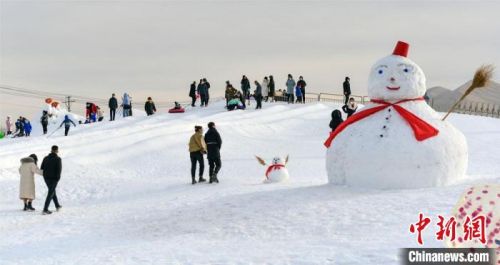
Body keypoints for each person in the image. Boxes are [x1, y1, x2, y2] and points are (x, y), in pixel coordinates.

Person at [41, 145, 62, 215]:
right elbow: (59, 170)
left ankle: (57, 205)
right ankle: (45, 209)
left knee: (52, 191)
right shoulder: (58, 159)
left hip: (46, 178)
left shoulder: (45, 158)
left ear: (51, 150)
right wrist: (57, 179)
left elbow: (42, 168)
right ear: (57, 151)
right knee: (51, 193)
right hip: (54, 179)